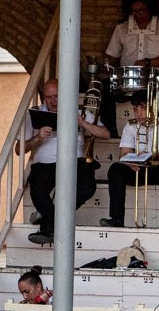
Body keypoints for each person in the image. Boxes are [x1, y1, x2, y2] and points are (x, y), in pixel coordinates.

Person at [24, 79, 110, 246]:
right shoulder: (35, 114)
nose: (52, 101)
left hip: (74, 161)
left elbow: (106, 134)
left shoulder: (79, 112)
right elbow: (20, 149)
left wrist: (83, 123)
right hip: (45, 164)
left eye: (56, 96)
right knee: (37, 187)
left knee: (87, 187)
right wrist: (38, 138)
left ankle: (48, 223)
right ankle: (52, 221)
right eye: (48, 97)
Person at [100, 0, 159, 134]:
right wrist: (106, 67)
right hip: (128, 79)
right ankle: (109, 130)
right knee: (105, 87)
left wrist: (147, 63)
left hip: (154, 78)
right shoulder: (121, 28)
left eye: (142, 10)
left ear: (151, 8)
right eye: (134, 11)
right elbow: (113, 56)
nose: (138, 14)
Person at [100, 92, 159, 230]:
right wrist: (131, 162)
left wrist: (150, 156)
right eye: (135, 109)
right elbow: (124, 154)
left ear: (153, 108)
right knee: (115, 169)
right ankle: (116, 219)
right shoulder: (130, 125)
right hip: (140, 169)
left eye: (143, 108)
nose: (138, 113)